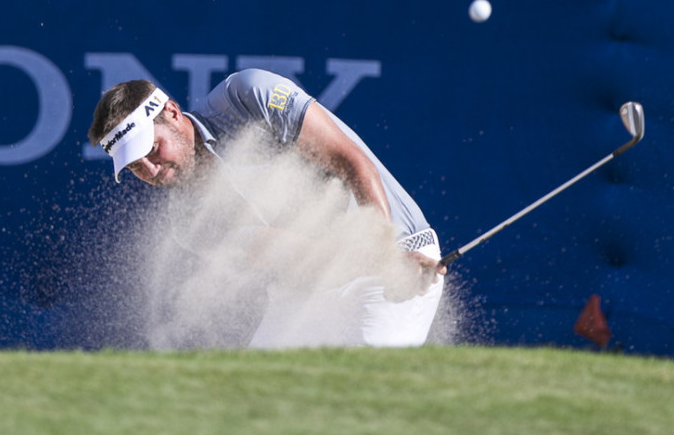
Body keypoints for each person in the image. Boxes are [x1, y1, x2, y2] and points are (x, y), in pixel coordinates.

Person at [88, 68, 447, 348]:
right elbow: (297, 257)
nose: (150, 170)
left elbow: (349, 160)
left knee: (360, 403)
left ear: (172, 112)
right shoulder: (187, 220)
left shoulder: (246, 96)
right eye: (136, 167)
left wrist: (386, 255)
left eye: (153, 150)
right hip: (309, 283)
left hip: (401, 253)